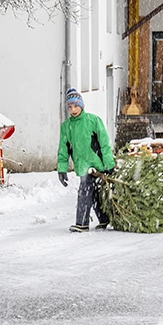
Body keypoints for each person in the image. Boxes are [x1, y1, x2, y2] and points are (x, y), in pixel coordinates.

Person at [57, 88, 116, 232]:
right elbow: (63, 150)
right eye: (70, 107)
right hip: (81, 165)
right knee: (93, 192)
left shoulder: (93, 121)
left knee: (85, 190)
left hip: (96, 164)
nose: (73, 109)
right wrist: (62, 169)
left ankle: (82, 223)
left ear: (81, 106)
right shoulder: (66, 127)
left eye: (76, 106)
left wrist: (109, 164)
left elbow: (104, 143)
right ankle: (104, 219)